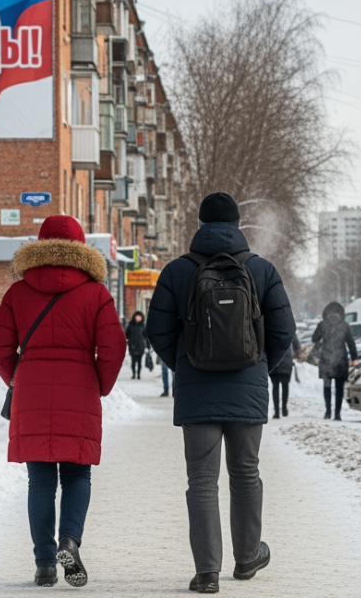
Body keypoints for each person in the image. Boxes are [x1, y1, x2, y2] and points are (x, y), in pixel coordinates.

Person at [147, 192, 294, 594]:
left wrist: (185, 364)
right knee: (245, 474)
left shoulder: (177, 270)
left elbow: (157, 331)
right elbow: (284, 331)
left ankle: (207, 573)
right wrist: (258, 365)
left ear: (200, 224)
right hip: (248, 389)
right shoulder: (261, 269)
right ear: (237, 224)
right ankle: (247, 559)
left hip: (197, 392)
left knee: (201, 480)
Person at [0, 215, 126, 589]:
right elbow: (114, 347)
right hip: (79, 391)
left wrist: (18, 376)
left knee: (40, 481)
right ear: (81, 249)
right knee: (78, 474)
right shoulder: (97, 294)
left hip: (31, 395)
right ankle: (70, 541)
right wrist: (99, 383)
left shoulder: (18, 293)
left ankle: (45, 565)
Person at [310, 302, 358, 420]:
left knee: (327, 386)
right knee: (339, 388)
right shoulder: (344, 325)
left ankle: (328, 411)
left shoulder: (322, 324)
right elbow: (351, 343)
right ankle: (337, 414)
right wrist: (354, 358)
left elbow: (314, 339)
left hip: (326, 358)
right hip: (340, 359)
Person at [269, 334, 303, 419]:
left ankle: (277, 412)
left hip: (274, 359)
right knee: (285, 386)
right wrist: (295, 354)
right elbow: (297, 346)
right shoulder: (290, 329)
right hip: (286, 360)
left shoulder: (271, 328)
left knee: (275, 386)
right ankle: (284, 409)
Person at [126, 311, 148, 380]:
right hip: (132, 345)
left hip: (140, 345)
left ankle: (138, 374)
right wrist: (129, 340)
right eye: (137, 316)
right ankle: (133, 374)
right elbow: (127, 334)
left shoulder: (143, 326)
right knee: (133, 361)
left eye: (139, 317)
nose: (138, 318)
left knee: (139, 361)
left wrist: (148, 346)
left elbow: (146, 336)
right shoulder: (131, 325)